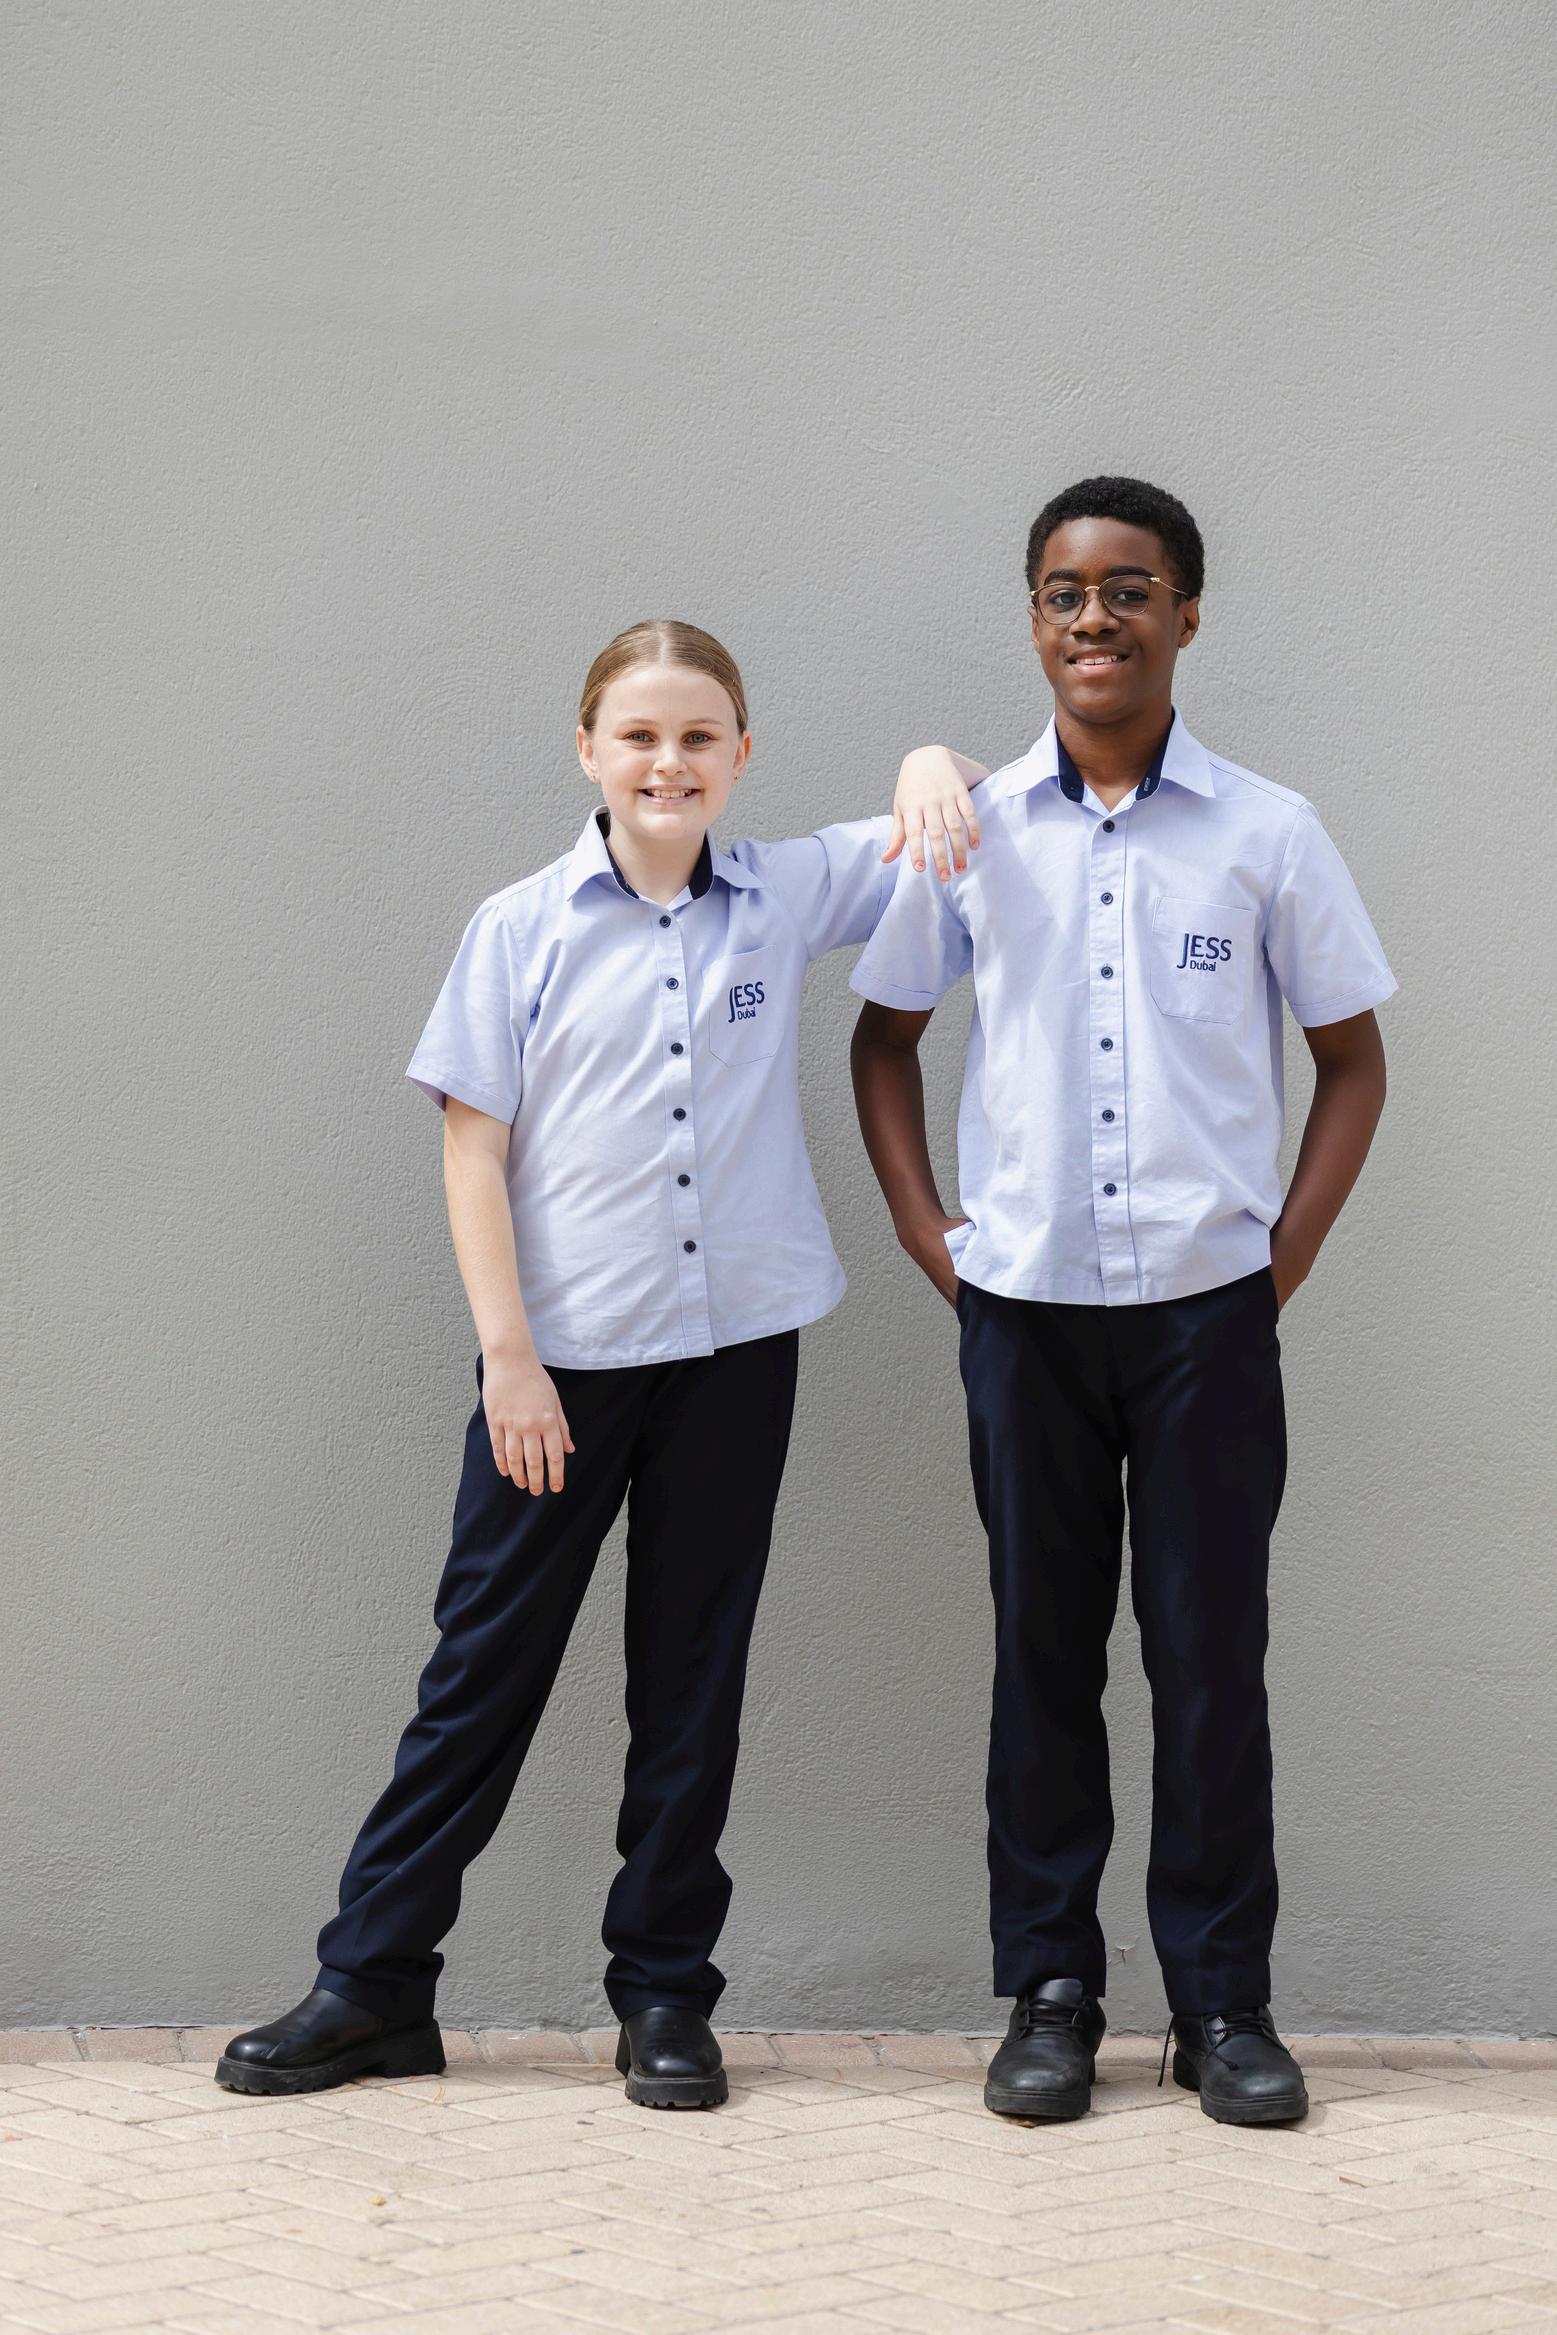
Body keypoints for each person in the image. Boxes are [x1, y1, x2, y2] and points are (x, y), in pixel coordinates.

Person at [218, 620, 984, 2106]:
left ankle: (664, 1999)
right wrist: (508, 1360)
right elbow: (473, 1152)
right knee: (481, 1671)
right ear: (588, 752)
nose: (667, 763)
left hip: (736, 1353)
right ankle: (372, 1986)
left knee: (691, 1676)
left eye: (698, 737)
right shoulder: (520, 929)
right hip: (558, 1369)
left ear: (740, 755)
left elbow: (953, 794)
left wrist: (918, 759)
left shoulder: (781, 894)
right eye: (638, 736)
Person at [849, 478, 1395, 2128]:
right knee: (1041, 1650)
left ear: (1185, 616)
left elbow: (1351, 1061)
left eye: (1129, 589)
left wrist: (1281, 1256)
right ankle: (1050, 1993)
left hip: (1202, 1318)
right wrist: (932, 1240)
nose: (1095, 617)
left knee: (1209, 1656)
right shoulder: (969, 826)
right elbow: (881, 1040)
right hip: (1020, 1311)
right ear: (1035, 620)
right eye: (1064, 592)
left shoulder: (1265, 832)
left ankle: (1222, 2005)